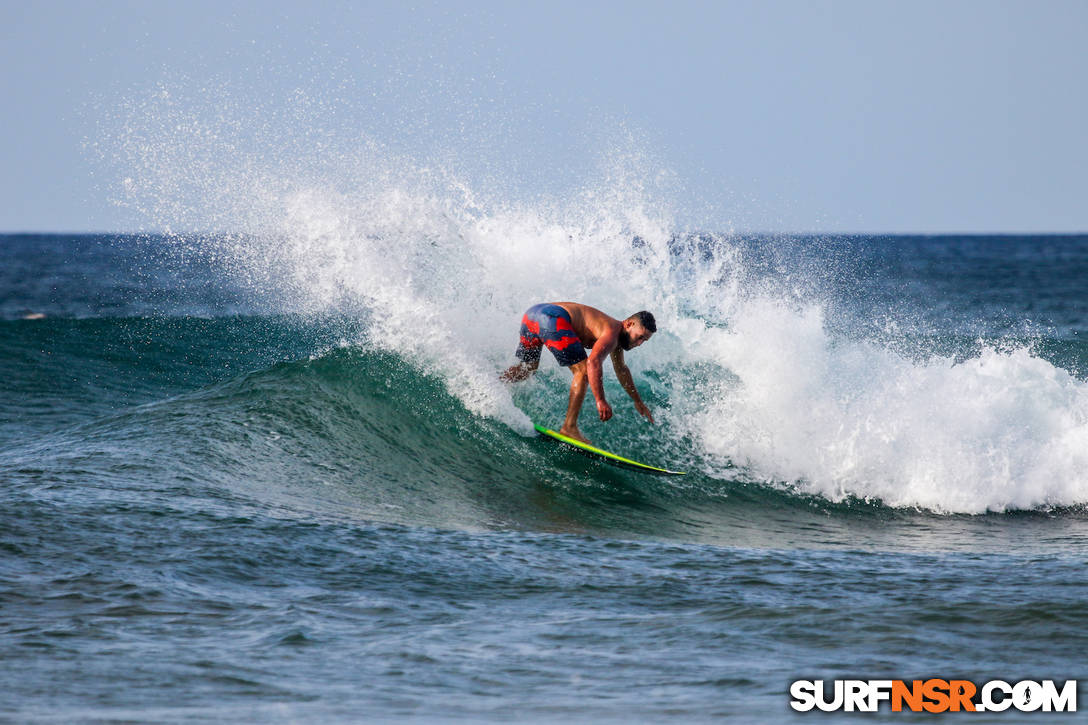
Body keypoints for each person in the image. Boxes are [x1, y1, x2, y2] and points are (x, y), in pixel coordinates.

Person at [501, 302, 656, 444]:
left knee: (528, 369)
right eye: (640, 337)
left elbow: (621, 369)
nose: (639, 343)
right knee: (584, 371)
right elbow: (593, 362)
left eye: (644, 340)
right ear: (629, 324)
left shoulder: (616, 339)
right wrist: (600, 400)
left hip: (534, 315)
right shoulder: (612, 333)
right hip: (553, 318)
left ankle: (495, 383)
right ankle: (569, 427)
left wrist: (638, 401)